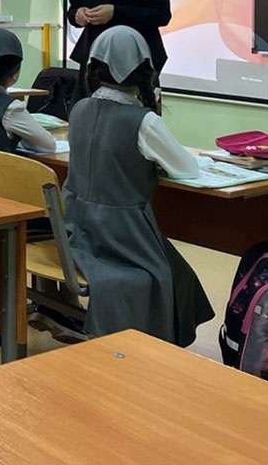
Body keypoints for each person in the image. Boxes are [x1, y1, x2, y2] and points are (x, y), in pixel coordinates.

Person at [63, 25, 213, 347]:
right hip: (123, 236)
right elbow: (186, 168)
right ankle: (161, 346)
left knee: (177, 271)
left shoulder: (79, 110)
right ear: (146, 70)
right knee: (172, 273)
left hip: (75, 228)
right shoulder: (144, 121)